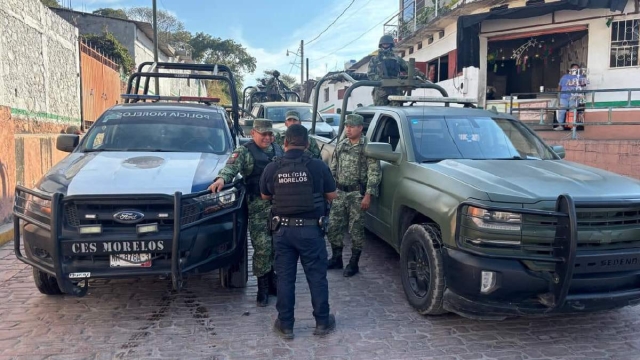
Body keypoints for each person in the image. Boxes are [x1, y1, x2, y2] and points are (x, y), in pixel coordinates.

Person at [260, 124, 337, 339]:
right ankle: (322, 322)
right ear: (306, 143)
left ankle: (286, 325)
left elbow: (265, 196)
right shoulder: (317, 166)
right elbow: (332, 195)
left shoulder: (272, 167)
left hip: (282, 231)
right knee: (317, 277)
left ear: (284, 142)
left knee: (285, 278)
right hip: (312, 231)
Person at [209, 119, 284, 307]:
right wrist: (221, 179)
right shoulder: (245, 151)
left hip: (280, 206)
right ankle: (263, 288)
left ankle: (274, 281)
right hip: (258, 207)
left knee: (277, 246)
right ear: (253, 134)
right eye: (263, 134)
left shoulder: (278, 149)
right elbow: (231, 168)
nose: (267, 138)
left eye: (270, 134)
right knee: (262, 247)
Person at [326, 114, 381, 277]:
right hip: (340, 192)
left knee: (356, 230)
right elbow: (333, 168)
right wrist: (331, 190)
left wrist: (368, 195)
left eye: (351, 126)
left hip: (357, 194)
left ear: (360, 128)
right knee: (333, 227)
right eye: (346, 126)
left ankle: (354, 263)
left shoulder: (367, 148)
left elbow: (374, 172)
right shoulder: (342, 145)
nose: (348, 129)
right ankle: (337, 258)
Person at [367, 34, 426, 106]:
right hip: (381, 90)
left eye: (387, 44)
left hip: (396, 89)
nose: (385, 45)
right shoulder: (375, 59)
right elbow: (370, 74)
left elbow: (408, 68)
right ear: (381, 45)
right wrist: (381, 81)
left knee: (397, 110)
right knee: (381, 111)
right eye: (384, 44)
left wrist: (421, 75)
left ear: (391, 45)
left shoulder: (397, 58)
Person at [556, 63, 587, 130]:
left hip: (574, 97)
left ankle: (572, 126)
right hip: (564, 97)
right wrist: (558, 95)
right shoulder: (565, 77)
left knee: (572, 111)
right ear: (571, 69)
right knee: (562, 111)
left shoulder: (580, 77)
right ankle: (560, 125)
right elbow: (559, 86)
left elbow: (584, 85)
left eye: (577, 68)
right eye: (574, 68)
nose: (575, 69)